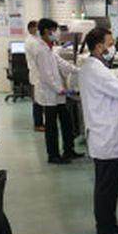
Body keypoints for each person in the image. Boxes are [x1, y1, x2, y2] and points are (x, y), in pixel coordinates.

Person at [80, 28, 118, 234]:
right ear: (99, 46)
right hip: (105, 137)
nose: (113, 48)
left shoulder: (93, 67)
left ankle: (109, 224)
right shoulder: (97, 71)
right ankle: (106, 232)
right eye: (110, 44)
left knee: (108, 187)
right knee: (106, 188)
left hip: (103, 134)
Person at [32, 17, 81, 164]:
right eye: (54, 30)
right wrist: (60, 89)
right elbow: (46, 75)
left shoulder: (49, 47)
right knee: (51, 127)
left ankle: (69, 150)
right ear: (46, 31)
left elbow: (61, 63)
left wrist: (78, 70)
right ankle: (53, 156)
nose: (56, 33)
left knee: (66, 122)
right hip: (50, 94)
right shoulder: (40, 50)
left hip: (57, 93)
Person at [25, 20, 45, 132]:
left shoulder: (36, 39)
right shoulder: (31, 41)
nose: (38, 30)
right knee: (37, 101)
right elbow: (40, 55)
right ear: (30, 29)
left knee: (40, 100)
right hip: (36, 75)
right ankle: (38, 124)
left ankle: (40, 123)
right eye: (36, 27)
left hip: (37, 74)